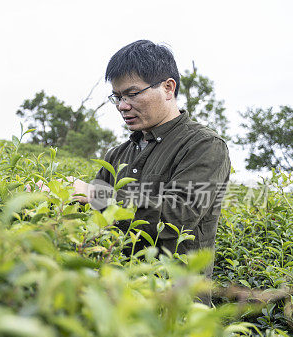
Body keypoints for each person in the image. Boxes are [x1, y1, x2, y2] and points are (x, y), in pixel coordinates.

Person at [47, 40, 231, 273]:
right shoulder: (117, 154)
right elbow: (92, 217)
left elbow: (179, 215)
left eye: (132, 94)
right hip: (118, 290)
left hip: (174, 297)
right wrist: (59, 197)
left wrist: (97, 195)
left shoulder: (204, 146)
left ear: (168, 88)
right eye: (117, 97)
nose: (122, 106)